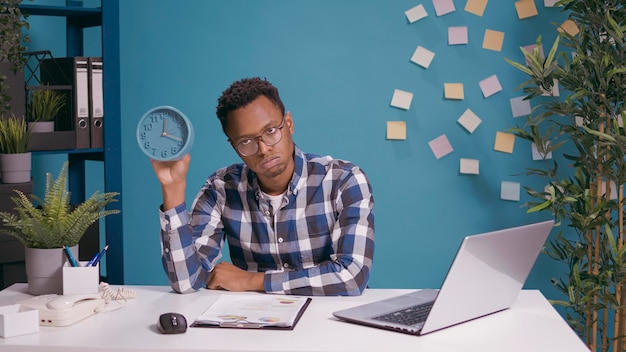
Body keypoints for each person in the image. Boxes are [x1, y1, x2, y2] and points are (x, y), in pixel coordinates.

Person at [152, 77, 375, 296]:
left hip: (326, 324)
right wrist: (173, 188)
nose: (263, 149)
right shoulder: (220, 189)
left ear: (288, 124)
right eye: (246, 141)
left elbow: (351, 276)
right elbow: (186, 282)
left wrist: (251, 280)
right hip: (249, 325)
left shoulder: (344, 181)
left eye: (270, 131)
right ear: (234, 146)